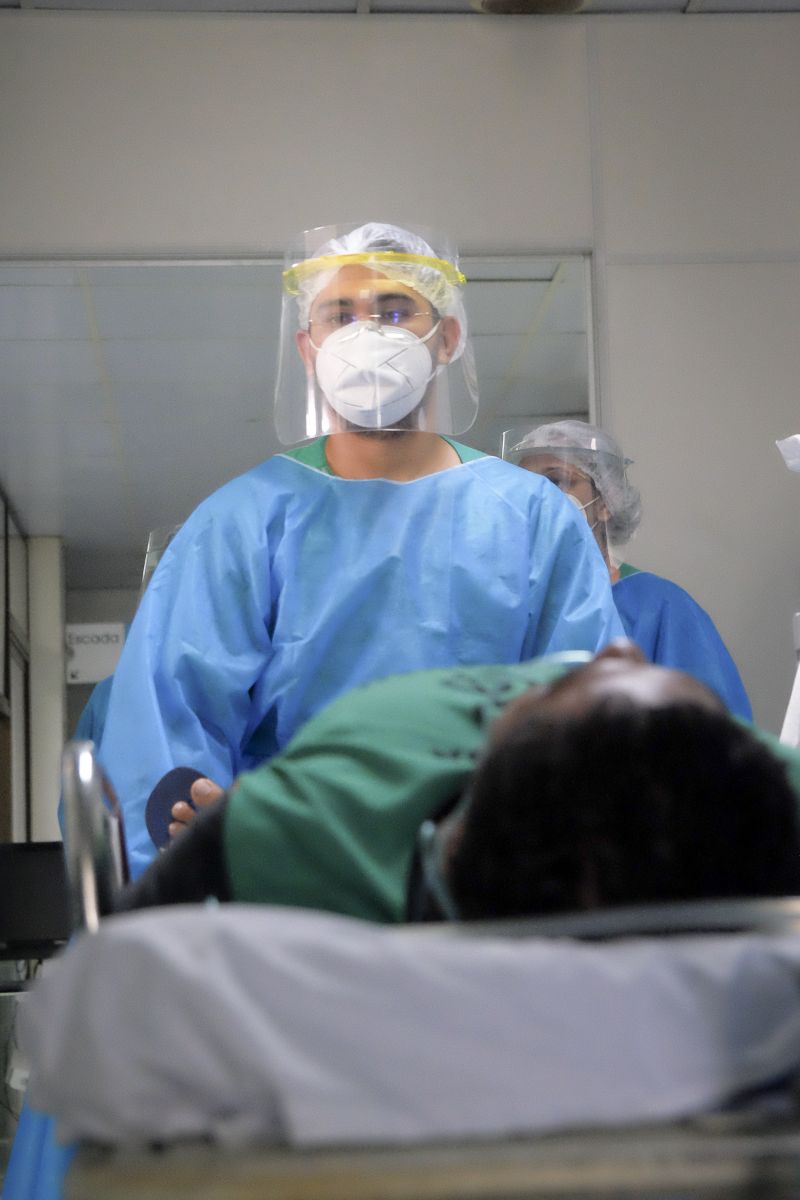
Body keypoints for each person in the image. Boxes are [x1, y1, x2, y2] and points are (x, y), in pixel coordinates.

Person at [97, 224, 622, 877]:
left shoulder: (534, 520)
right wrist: (199, 864)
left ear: (448, 337)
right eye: (339, 315)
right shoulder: (244, 522)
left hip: (487, 894)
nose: (367, 333)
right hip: (295, 896)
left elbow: (594, 726)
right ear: (308, 346)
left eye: (395, 311)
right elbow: (166, 737)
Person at [116, 640, 800, 922]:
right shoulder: (759, 777)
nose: (618, 646)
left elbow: (127, 965)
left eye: (581, 677)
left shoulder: (318, 816)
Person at [508, 419, 752, 720]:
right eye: (523, 483)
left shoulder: (660, 607)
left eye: (557, 480)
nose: (536, 496)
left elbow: (715, 734)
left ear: (606, 501)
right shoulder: (509, 603)